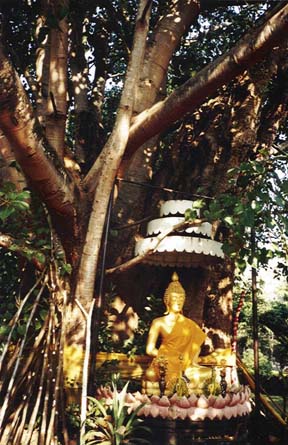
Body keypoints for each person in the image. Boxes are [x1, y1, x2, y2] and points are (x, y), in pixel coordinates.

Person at [145, 272, 206, 386]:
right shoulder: (158, 322)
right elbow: (150, 349)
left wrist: (193, 361)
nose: (178, 301)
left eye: (181, 298)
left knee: (209, 374)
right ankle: (178, 383)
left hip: (184, 363)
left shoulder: (189, 324)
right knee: (151, 374)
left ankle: (183, 380)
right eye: (175, 298)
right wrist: (167, 357)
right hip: (166, 361)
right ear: (167, 301)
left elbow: (195, 347)